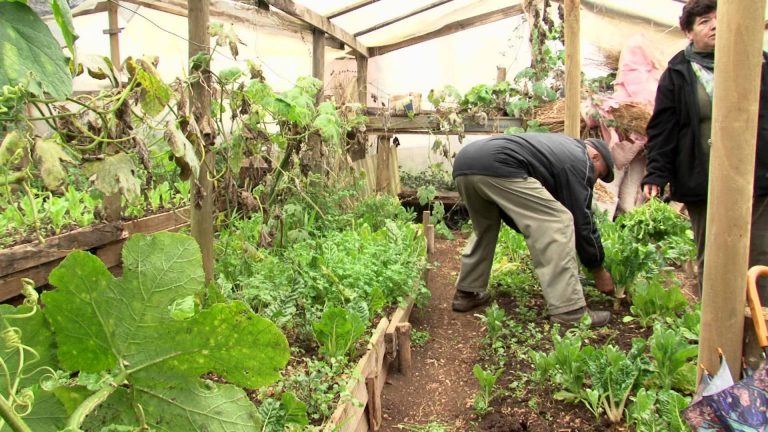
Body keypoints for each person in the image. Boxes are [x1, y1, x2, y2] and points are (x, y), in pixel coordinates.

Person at [641, 0, 768, 300]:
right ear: (688, 32)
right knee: (714, 259)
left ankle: (759, 337)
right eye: (704, 21)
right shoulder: (678, 72)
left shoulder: (757, 61)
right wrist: (655, 175)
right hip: (705, 180)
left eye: (719, 19)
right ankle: (717, 338)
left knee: (759, 255)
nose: (714, 26)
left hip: (756, 179)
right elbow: (663, 130)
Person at [450, 133, 616, 327]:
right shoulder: (580, 160)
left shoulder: (559, 149)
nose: (595, 180)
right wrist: (598, 269)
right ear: (595, 157)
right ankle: (570, 311)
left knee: (485, 228)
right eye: (600, 174)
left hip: (465, 164)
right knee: (559, 222)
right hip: (499, 165)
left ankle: (467, 292)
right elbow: (582, 220)